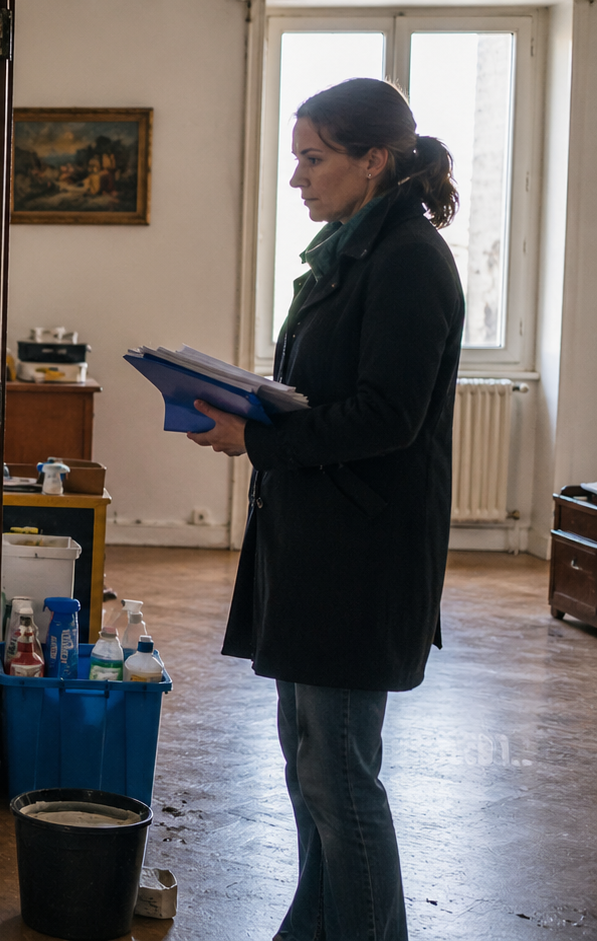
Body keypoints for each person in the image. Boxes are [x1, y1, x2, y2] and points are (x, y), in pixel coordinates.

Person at [186, 78, 463, 941]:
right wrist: (254, 401)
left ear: (373, 161)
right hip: (313, 544)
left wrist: (257, 439)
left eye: (314, 159)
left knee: (340, 775)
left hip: (361, 554)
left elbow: (390, 414)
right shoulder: (354, 247)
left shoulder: (410, 258)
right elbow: (333, 390)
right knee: (308, 768)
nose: (298, 177)